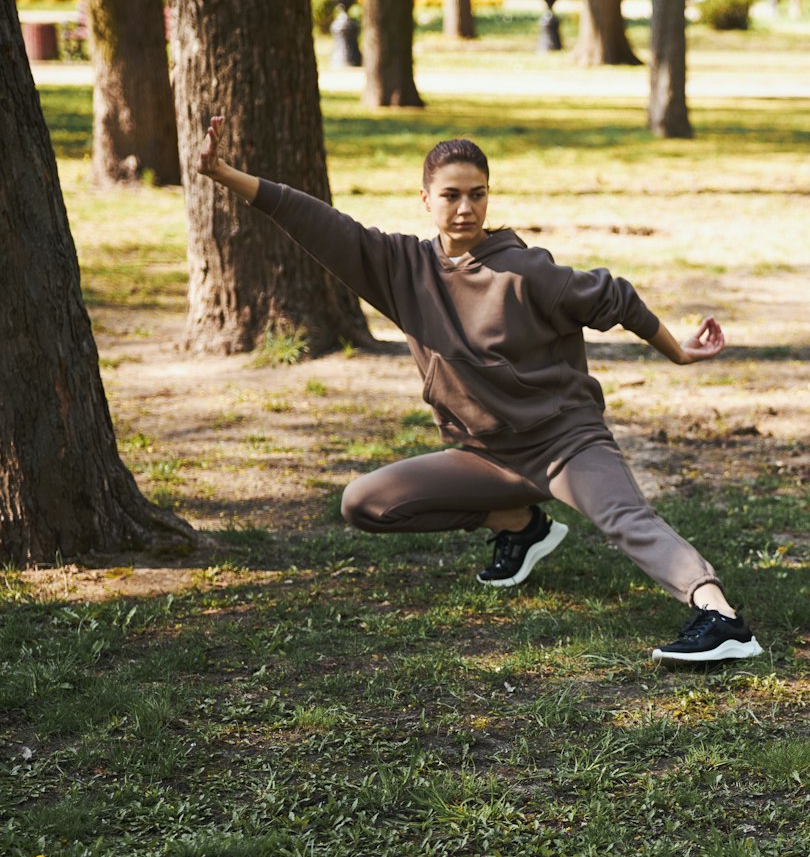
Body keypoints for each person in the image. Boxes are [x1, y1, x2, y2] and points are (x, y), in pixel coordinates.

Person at [193, 119, 761, 663]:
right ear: (425, 199)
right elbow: (311, 217)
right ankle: (518, 524)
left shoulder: (526, 271)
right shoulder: (399, 267)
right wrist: (223, 174)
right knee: (364, 503)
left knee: (628, 521)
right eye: (450, 196)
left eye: (477, 194)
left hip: (565, 442)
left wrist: (678, 351)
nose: (465, 208)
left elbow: (616, 297)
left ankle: (721, 620)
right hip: (484, 457)